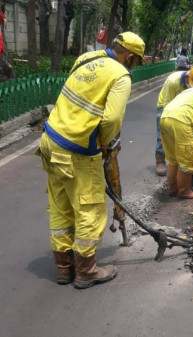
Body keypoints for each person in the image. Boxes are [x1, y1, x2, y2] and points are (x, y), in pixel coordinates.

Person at [36, 32, 146, 289]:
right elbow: (110, 120)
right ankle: (86, 271)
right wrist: (104, 143)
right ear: (129, 56)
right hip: (77, 148)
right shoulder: (121, 75)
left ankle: (64, 268)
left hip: (50, 139)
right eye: (137, 61)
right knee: (90, 208)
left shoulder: (87, 58)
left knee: (61, 204)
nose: (135, 65)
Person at [154, 67, 193, 176]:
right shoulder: (173, 81)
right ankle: (160, 162)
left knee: (180, 136)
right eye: (189, 83)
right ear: (186, 77)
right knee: (162, 135)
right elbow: (168, 104)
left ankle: (176, 163)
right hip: (165, 107)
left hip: (182, 109)